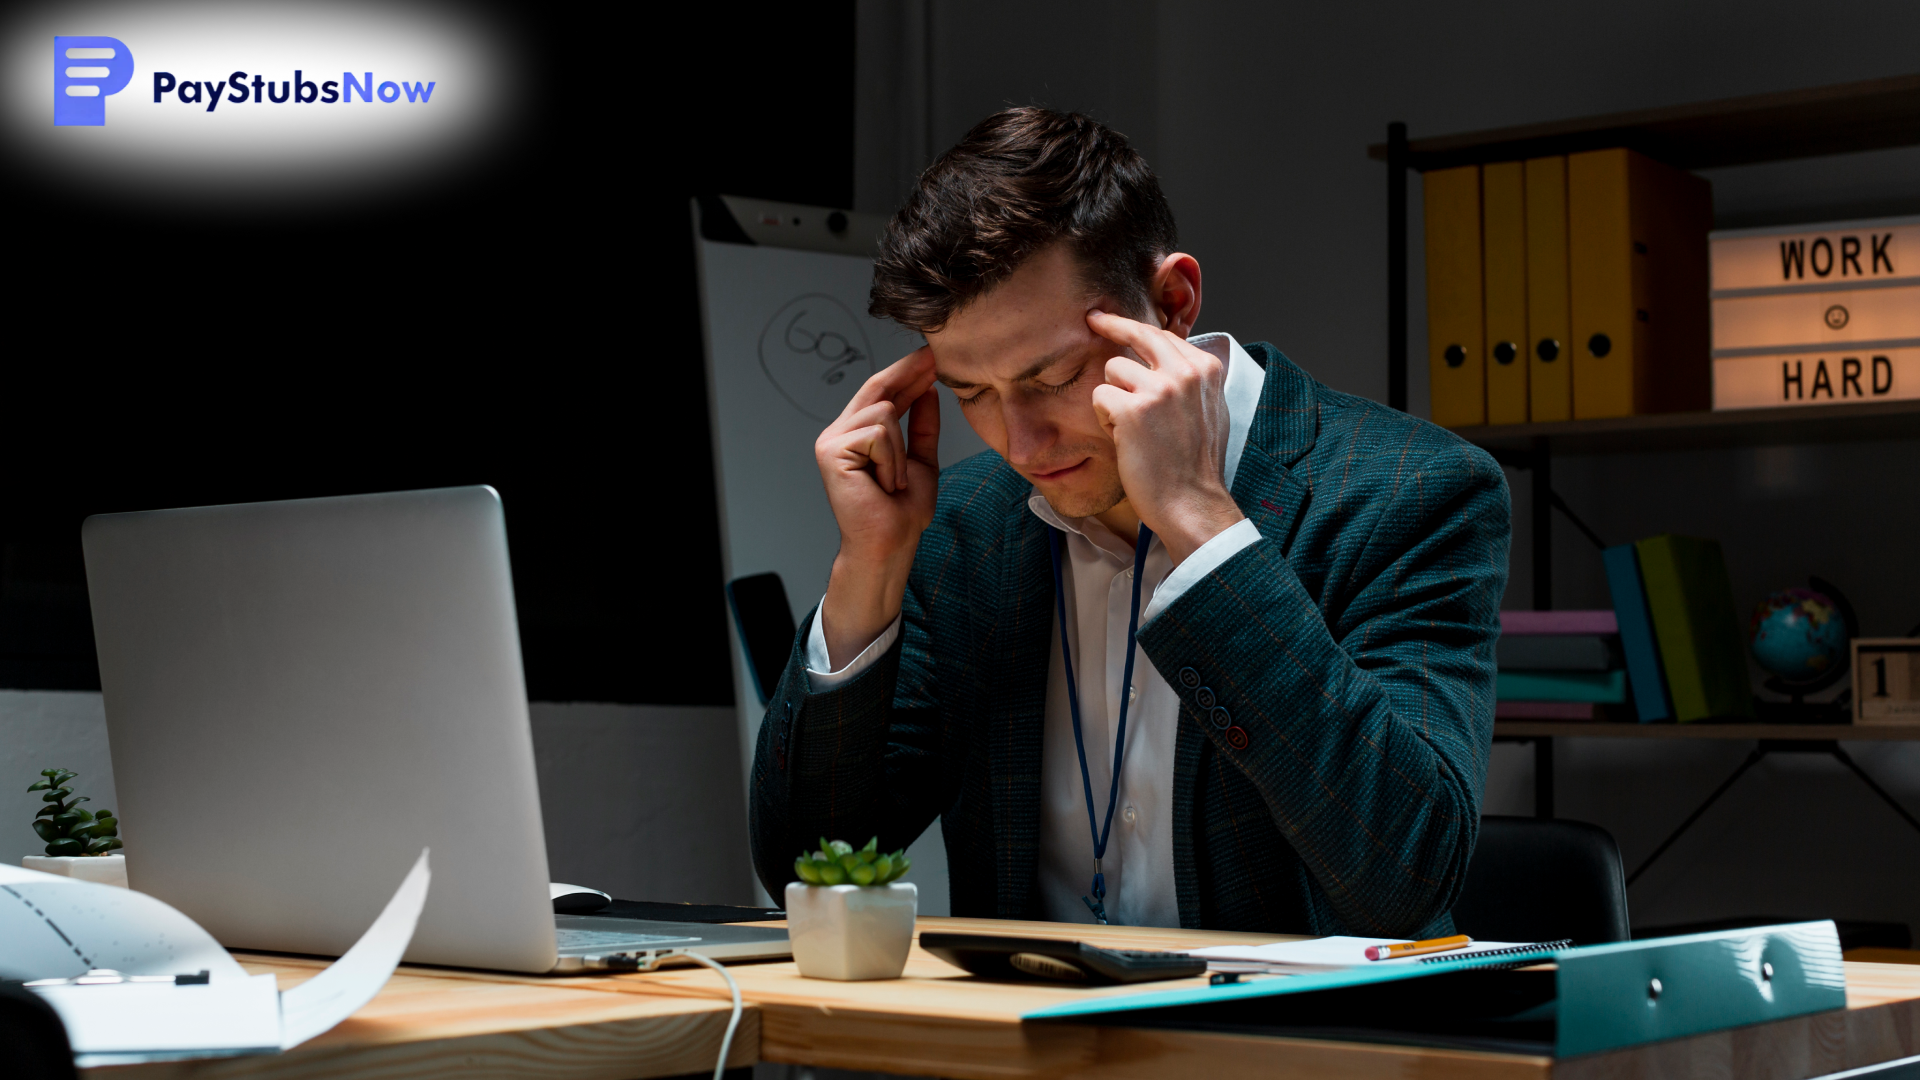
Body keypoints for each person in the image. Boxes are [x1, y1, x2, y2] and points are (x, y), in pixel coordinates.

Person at [749, 107, 1509, 936]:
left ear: (1173, 301)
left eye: (1054, 375)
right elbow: (805, 863)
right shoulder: (965, 528)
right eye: (971, 392)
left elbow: (1408, 882)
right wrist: (868, 572)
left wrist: (1204, 529)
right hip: (1024, 1045)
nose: (1019, 441)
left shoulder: (1411, 494)